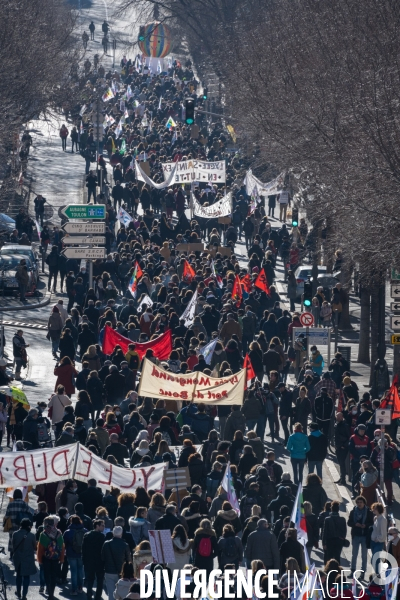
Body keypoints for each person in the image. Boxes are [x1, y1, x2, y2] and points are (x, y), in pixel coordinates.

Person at [37, 516, 65, 600]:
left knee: (47, 576)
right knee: (53, 576)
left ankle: (49, 592)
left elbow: (40, 549)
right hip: (55, 558)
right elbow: (62, 547)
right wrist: (61, 558)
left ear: (46, 524)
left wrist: (40, 560)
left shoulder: (43, 534)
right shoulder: (58, 533)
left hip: (46, 558)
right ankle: (52, 593)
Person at [101, 526, 131, 600]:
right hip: (121, 571)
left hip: (109, 570)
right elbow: (129, 560)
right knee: (121, 592)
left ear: (113, 533)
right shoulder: (125, 545)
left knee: (111, 593)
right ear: (121, 534)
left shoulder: (106, 544)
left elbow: (102, 558)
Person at [347, 496, 373, 578]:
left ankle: (362, 573)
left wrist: (365, 525)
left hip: (364, 536)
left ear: (364, 503)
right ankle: (353, 571)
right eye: (357, 502)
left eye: (360, 502)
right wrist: (355, 524)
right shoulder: (353, 511)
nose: (359, 504)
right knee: (354, 555)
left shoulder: (369, 512)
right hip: (355, 535)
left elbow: (371, 523)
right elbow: (349, 522)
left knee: (364, 556)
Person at [12, 518, 37, 600]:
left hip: (18, 557)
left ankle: (18, 591)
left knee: (18, 575)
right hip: (28, 558)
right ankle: (24, 595)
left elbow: (13, 545)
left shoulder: (15, 534)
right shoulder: (32, 535)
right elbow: (35, 547)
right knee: (26, 576)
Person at [63, 515, 87, 595]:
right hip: (82, 553)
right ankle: (80, 587)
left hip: (71, 553)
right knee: (80, 570)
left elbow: (64, 543)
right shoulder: (85, 531)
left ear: (71, 521)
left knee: (73, 571)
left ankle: (74, 590)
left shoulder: (68, 532)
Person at [82, 519, 106, 600]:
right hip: (99, 561)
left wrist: (84, 560)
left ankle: (89, 594)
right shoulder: (102, 536)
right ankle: (98, 596)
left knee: (90, 579)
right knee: (100, 580)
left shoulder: (87, 535)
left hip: (89, 561)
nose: (104, 527)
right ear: (97, 526)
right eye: (102, 525)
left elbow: (83, 549)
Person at [370, 502, 387, 574]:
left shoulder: (382, 519)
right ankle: (378, 573)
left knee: (374, 559)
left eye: (375, 509)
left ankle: (378, 574)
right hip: (373, 541)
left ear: (379, 510)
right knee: (376, 559)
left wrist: (378, 538)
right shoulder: (376, 518)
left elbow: (383, 533)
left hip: (378, 542)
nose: (373, 510)